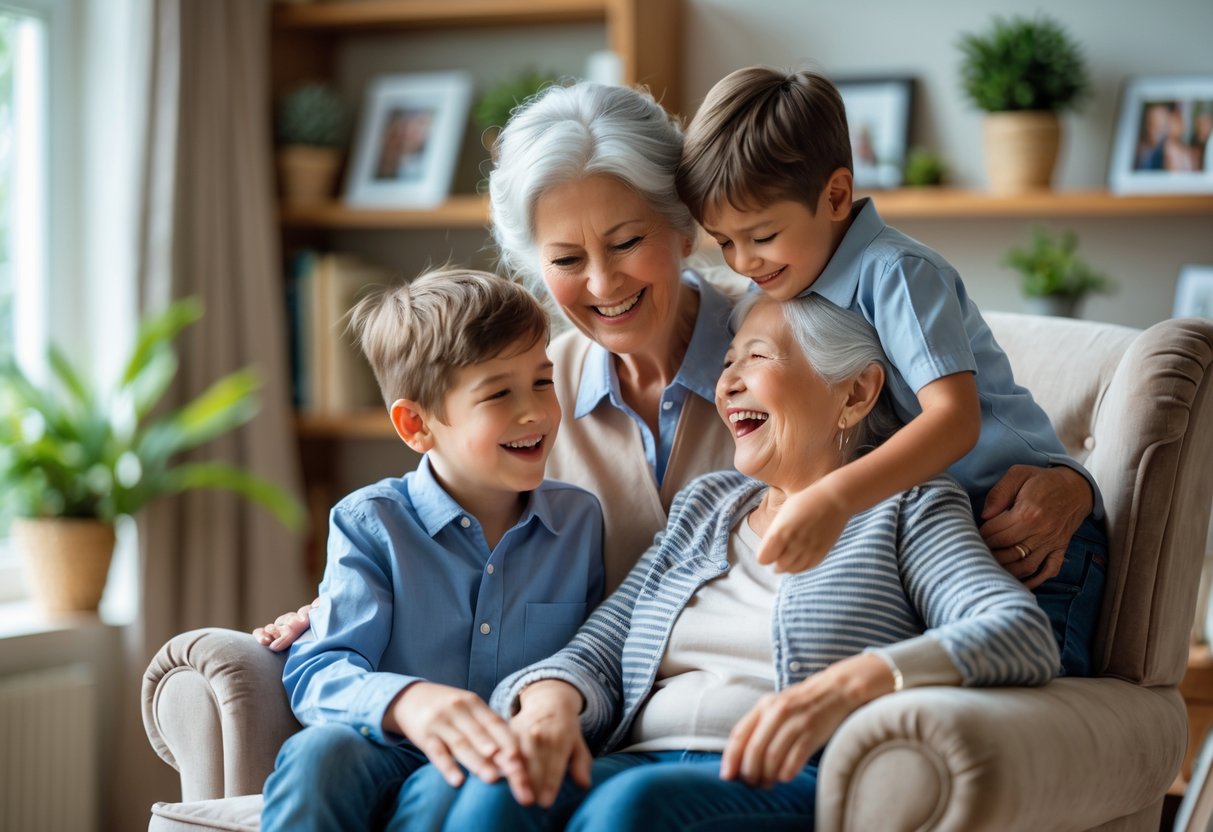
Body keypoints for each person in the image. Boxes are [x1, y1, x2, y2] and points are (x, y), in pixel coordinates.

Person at [257, 79, 1100, 666]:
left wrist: (1069, 481)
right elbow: (436, 520)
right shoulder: (525, 394)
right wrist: (343, 610)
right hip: (615, 713)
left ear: (687, 226)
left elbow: (940, 437)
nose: (603, 283)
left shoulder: (790, 338)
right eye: (564, 259)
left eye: (627, 242)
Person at [392, 293, 1060, 831]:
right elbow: (602, 644)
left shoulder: (907, 506)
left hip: (774, 776)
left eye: (756, 358)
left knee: (628, 814)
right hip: (636, 762)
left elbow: (1017, 632)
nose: (727, 382)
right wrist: (547, 706)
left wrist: (847, 687)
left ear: (854, 395)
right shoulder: (708, 503)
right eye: (727, 360)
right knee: (497, 792)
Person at [676, 66, 1107, 676]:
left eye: (762, 236)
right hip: (945, 536)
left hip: (1029, 532)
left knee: (1018, 695)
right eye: (724, 243)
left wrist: (831, 501)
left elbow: (953, 423)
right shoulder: (797, 277)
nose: (744, 262)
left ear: (834, 196)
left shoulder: (896, 272)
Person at [260, 269, 605, 831]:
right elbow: (318, 669)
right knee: (317, 756)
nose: (535, 412)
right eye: (498, 393)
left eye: (543, 382)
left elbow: (593, 657)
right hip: (387, 740)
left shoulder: (579, 523)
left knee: (457, 790)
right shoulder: (370, 522)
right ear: (416, 424)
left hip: (497, 762)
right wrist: (411, 702)